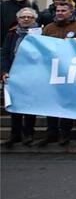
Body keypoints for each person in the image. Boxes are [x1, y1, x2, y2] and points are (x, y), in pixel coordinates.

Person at [2, 8, 42, 147]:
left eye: (29, 17)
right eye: (23, 17)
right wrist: (4, 71)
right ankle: (15, 134)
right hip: (14, 74)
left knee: (30, 106)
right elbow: (5, 53)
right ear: (18, 19)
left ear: (34, 19)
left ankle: (28, 133)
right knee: (15, 105)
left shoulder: (40, 34)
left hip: (33, 74)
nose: (26, 19)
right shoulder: (12, 34)